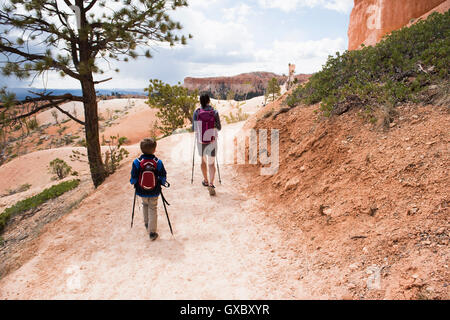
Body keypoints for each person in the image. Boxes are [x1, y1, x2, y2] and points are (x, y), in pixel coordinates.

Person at [130, 138, 167, 241]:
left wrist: (133, 183)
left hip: (141, 190)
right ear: (154, 150)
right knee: (153, 208)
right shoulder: (157, 162)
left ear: (141, 149)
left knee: (145, 204)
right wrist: (162, 183)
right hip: (154, 190)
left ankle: (147, 224)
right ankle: (152, 232)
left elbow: (133, 178)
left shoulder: (137, 162)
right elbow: (163, 176)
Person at [192, 93, 221, 195]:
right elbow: (219, 128)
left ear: (200, 101)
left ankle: (205, 180)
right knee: (211, 163)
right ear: (209, 100)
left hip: (201, 141)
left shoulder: (197, 112)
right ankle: (211, 183)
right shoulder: (214, 112)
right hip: (212, 140)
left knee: (203, 161)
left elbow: (194, 129)